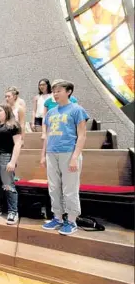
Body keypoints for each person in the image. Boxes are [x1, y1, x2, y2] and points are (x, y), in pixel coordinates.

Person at [41, 80, 89, 236]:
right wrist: (43, 154)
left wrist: (75, 157)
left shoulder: (77, 110)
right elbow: (47, 136)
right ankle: (58, 217)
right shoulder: (51, 112)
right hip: (51, 153)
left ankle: (72, 220)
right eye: (54, 91)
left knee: (70, 188)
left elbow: (82, 136)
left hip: (69, 152)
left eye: (59, 91)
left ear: (68, 92)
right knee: (54, 187)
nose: (55, 94)